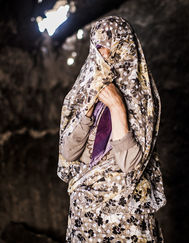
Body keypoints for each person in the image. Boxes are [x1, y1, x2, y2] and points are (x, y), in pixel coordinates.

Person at [57, 16, 166, 242]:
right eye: (97, 47)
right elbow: (68, 153)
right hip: (85, 215)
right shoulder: (84, 89)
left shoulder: (141, 98)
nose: (103, 54)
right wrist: (88, 109)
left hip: (124, 214)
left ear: (125, 47)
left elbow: (128, 164)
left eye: (109, 46)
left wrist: (116, 105)